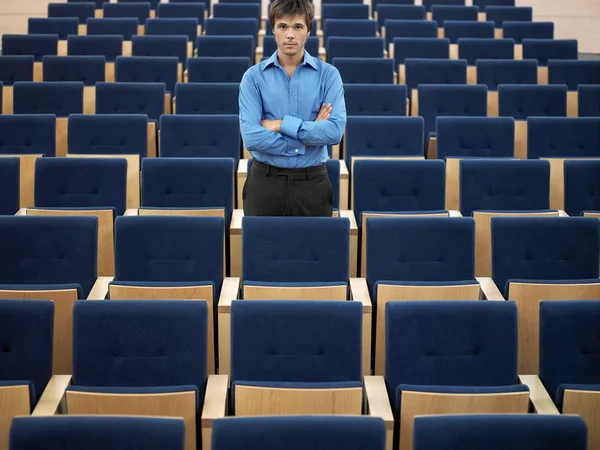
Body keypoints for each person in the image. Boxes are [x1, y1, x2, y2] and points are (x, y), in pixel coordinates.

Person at [239, 0, 346, 216]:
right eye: (283, 27)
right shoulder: (253, 78)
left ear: (308, 30)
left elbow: (335, 132)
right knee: (262, 249)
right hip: (265, 182)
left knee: (315, 250)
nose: (290, 35)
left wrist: (279, 125)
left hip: (313, 183)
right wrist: (309, 135)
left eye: (297, 27)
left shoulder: (329, 75)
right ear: (273, 30)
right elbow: (251, 137)